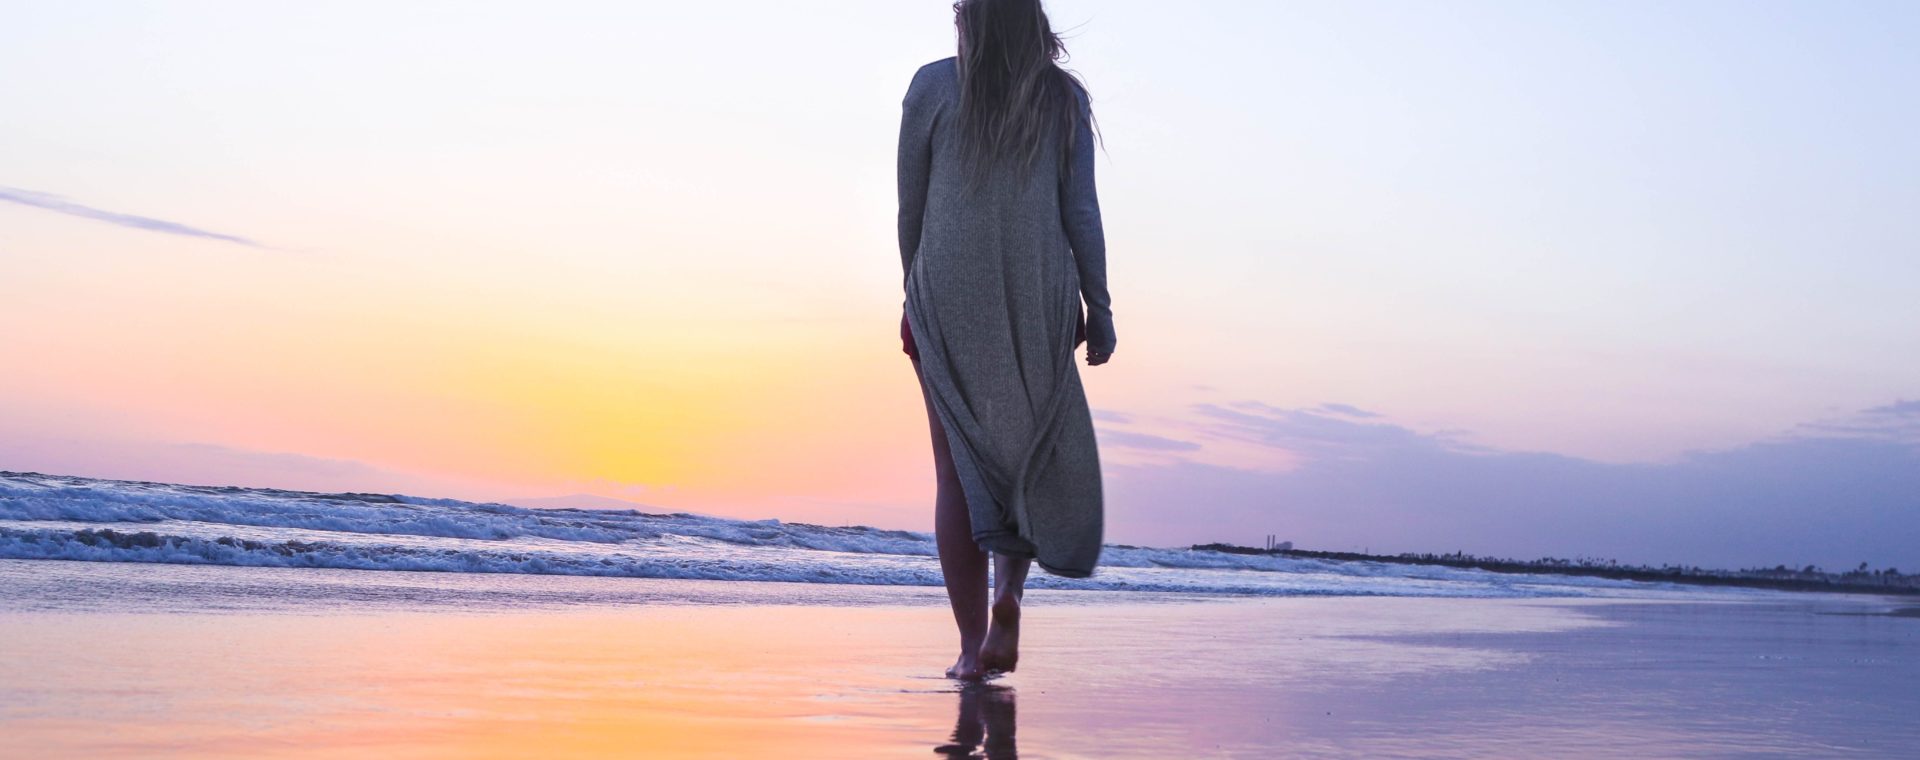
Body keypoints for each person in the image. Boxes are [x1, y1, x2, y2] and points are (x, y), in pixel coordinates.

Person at [897, 0, 1114, 681]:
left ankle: (970, 647)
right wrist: (1099, 305)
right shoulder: (1063, 99)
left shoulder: (932, 85)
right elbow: (1080, 209)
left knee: (955, 470)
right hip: (1039, 290)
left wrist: (913, 295)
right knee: (1025, 456)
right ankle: (1009, 598)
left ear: (973, 19)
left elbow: (912, 204)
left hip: (949, 288)